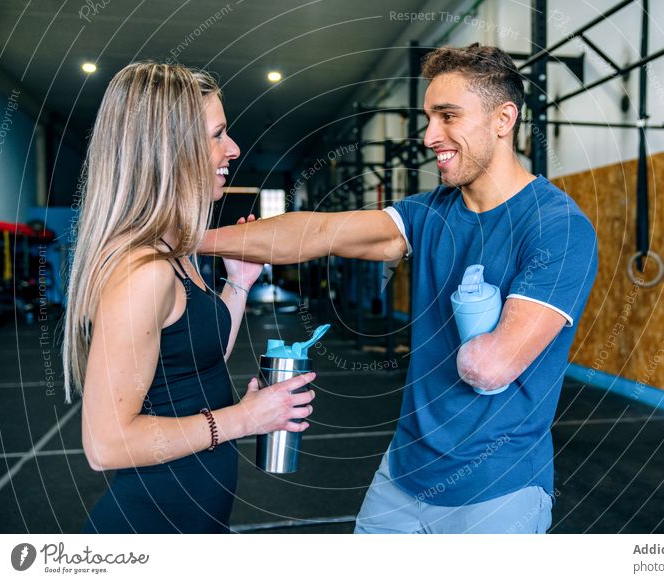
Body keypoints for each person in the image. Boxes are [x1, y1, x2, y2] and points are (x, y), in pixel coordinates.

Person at [201, 44, 598, 533]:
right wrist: (186, 238)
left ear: (503, 118)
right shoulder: (429, 213)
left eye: (448, 116)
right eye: (429, 117)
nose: (431, 135)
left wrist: (475, 327)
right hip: (402, 471)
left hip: (498, 490)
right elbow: (319, 232)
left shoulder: (558, 227)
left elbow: (490, 368)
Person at [62, 62, 316, 534]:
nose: (233, 149)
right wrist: (243, 419)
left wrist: (238, 281)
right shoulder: (143, 274)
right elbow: (106, 445)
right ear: (170, 151)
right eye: (218, 134)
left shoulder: (175, 255)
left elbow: (198, 361)